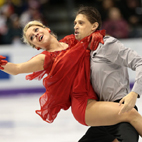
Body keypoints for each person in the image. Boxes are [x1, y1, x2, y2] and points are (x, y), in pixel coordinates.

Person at [0, 20, 142, 141]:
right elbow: (17, 68)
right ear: (36, 46)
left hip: (100, 99)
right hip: (84, 105)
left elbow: (91, 35)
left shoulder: (72, 41)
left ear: (46, 29)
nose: (36, 34)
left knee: (121, 134)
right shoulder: (45, 58)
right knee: (129, 113)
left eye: (36, 30)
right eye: (32, 37)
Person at [73, 6, 141, 142]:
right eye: (74, 23)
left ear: (94, 26)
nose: (76, 26)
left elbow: (139, 62)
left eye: (81, 23)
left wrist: (134, 93)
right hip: (104, 114)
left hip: (121, 109)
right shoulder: (84, 52)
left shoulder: (107, 44)